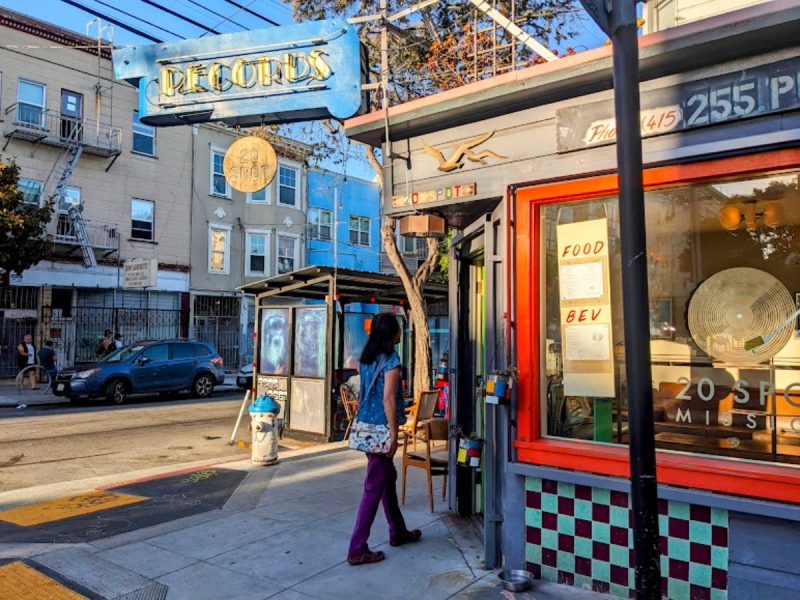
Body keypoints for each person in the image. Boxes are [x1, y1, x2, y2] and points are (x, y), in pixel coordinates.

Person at [348, 313, 422, 566]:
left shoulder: (367, 359)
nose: (401, 334)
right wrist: (394, 434)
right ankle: (357, 548)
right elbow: (389, 398)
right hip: (381, 430)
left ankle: (398, 531)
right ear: (392, 334)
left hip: (367, 427)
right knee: (373, 488)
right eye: (399, 330)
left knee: (386, 480)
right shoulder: (391, 359)